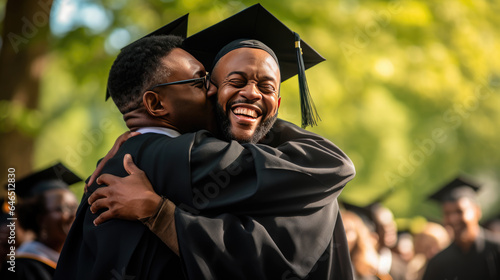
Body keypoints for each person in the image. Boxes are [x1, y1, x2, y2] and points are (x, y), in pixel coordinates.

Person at [55, 5, 355, 279]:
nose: (210, 93)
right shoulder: (181, 156)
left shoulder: (121, 160)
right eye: (204, 83)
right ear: (156, 105)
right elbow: (330, 165)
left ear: (277, 103)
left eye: (265, 89)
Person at [0, 163, 80, 280]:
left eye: (75, 207)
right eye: (64, 208)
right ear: (41, 219)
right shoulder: (21, 268)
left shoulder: (78, 261)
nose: (74, 214)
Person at [423, 176, 500, 280]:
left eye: (459, 211)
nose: (453, 219)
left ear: (477, 211)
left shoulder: (496, 249)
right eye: (447, 213)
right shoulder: (438, 263)